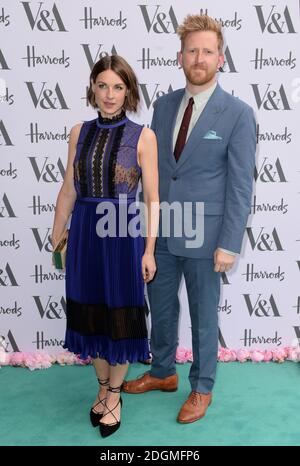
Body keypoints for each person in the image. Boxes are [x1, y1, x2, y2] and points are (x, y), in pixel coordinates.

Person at [123, 14, 256, 424]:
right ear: (181, 56)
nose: (199, 58)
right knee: (160, 308)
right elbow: (153, 169)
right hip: (163, 229)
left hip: (208, 235)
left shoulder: (238, 114)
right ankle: (163, 372)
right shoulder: (162, 107)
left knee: (203, 314)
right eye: (192, 50)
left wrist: (230, 242)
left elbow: (240, 185)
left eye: (207, 51)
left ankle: (201, 388)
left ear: (220, 58)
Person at [51, 55, 159, 437]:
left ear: (128, 91)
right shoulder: (78, 131)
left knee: (120, 317)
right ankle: (101, 387)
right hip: (83, 235)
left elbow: (152, 200)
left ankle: (115, 394)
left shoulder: (143, 136)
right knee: (91, 316)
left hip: (123, 236)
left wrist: (148, 250)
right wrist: (57, 231)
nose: (109, 94)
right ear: (92, 88)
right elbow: (69, 187)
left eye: (118, 87)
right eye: (102, 86)